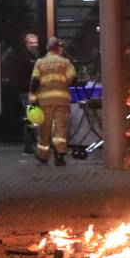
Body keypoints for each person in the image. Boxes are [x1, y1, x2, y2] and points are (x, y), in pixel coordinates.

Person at [28, 37, 77, 166]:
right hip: (61, 101)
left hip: (44, 101)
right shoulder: (65, 62)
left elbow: (34, 83)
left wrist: (32, 101)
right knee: (60, 129)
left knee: (45, 129)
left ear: (47, 49)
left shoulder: (40, 62)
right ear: (58, 48)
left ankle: (42, 156)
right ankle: (59, 157)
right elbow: (73, 79)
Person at [1, 33, 40, 154]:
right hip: (26, 92)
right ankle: (35, 145)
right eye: (31, 43)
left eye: (35, 42)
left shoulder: (34, 56)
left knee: (30, 118)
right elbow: (23, 75)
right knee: (32, 117)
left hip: (30, 91)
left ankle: (29, 146)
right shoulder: (24, 57)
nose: (34, 45)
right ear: (26, 44)